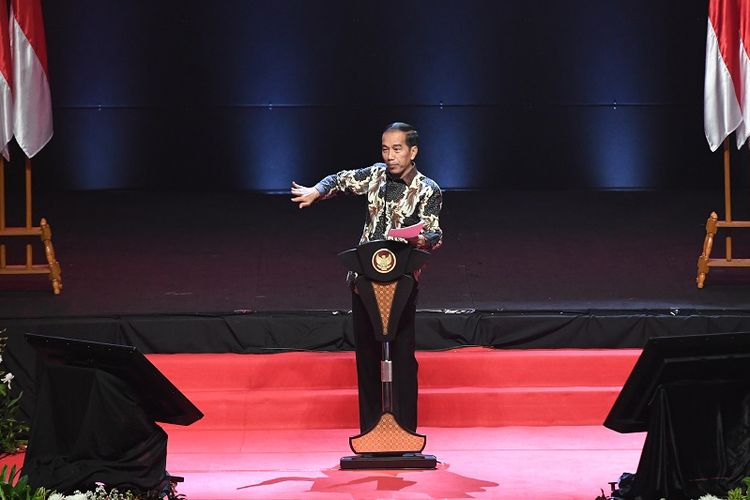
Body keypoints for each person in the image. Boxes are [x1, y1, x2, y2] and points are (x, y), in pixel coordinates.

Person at [291, 122, 443, 433]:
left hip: (401, 280)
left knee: (401, 353)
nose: (390, 156)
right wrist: (315, 191)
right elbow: (339, 180)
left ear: (413, 151)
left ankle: (405, 430)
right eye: (385, 149)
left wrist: (416, 238)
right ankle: (371, 429)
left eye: (397, 149)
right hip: (365, 277)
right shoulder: (375, 174)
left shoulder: (429, 189)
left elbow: (435, 234)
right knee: (367, 354)